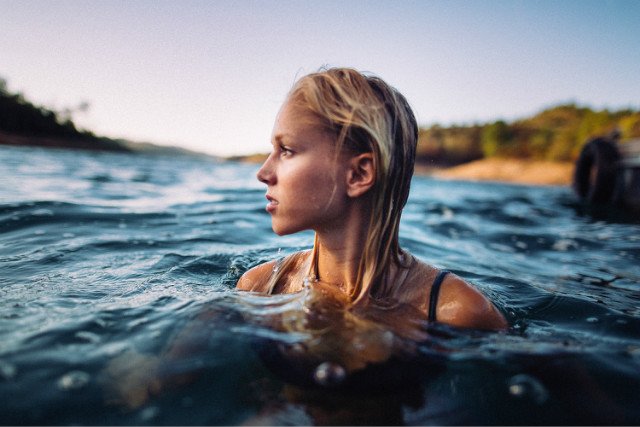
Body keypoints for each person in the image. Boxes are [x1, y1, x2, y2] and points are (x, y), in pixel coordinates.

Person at [237, 67, 507, 331]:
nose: (263, 173)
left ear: (358, 174)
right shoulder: (259, 288)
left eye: (286, 150)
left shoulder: (457, 311)